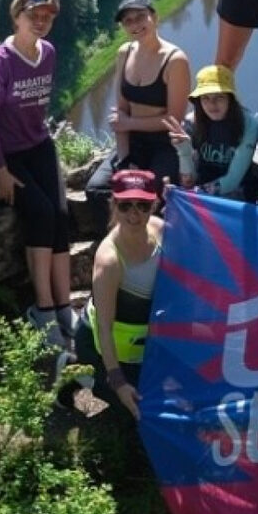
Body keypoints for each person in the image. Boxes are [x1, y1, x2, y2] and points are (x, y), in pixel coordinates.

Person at [0, 0, 78, 351]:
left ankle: (65, 305)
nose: (40, 22)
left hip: (39, 145)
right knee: (40, 212)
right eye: (33, 16)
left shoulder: (48, 53)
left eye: (46, 17)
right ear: (17, 17)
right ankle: (44, 309)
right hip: (7, 153)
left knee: (60, 215)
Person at [84, 0, 190, 232]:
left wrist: (129, 123)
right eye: (128, 21)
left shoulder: (175, 60)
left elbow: (174, 120)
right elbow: (120, 114)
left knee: (150, 192)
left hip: (165, 144)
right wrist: (124, 161)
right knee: (97, 189)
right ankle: (120, 242)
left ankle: (151, 245)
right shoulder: (124, 53)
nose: (135, 25)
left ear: (155, 17)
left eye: (141, 17)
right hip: (133, 142)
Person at [69, 169, 165, 420]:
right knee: (142, 416)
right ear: (114, 205)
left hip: (142, 347)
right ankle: (80, 372)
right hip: (101, 347)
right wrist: (118, 382)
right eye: (125, 206)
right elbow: (104, 327)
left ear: (154, 205)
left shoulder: (160, 230)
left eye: (143, 205)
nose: (134, 214)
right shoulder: (109, 260)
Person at [165, 65, 258, 202]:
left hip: (240, 193)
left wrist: (196, 193)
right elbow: (188, 182)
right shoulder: (191, 123)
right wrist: (184, 153)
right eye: (205, 98)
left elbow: (233, 179)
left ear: (230, 99)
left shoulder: (250, 124)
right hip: (203, 187)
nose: (212, 104)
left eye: (219, 97)